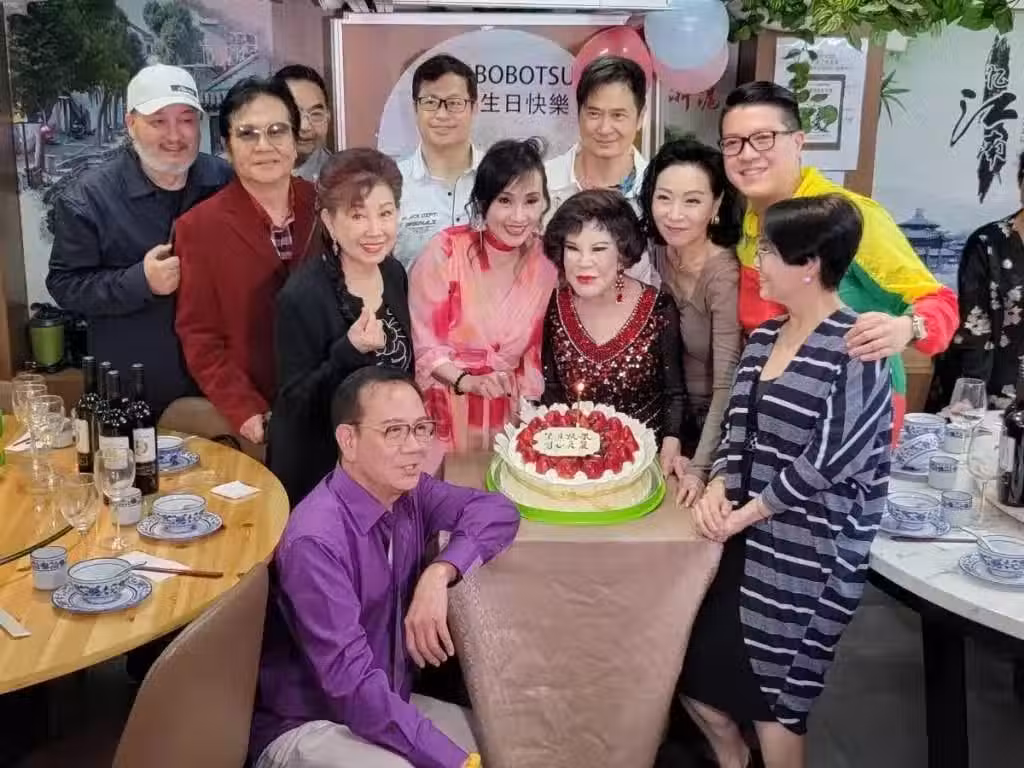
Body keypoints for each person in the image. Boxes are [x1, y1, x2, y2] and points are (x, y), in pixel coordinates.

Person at [681, 195, 892, 768]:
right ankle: (733, 759)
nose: (758, 264)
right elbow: (736, 431)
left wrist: (743, 514)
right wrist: (719, 484)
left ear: (810, 265)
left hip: (810, 558)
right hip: (742, 546)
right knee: (695, 679)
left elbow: (827, 462)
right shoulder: (764, 339)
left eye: (769, 252)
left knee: (776, 707)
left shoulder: (858, 347)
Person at [251, 366, 519, 768]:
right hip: (307, 723)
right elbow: (353, 687)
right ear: (349, 440)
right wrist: (456, 763)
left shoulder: (411, 493)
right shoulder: (315, 541)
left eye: (421, 429)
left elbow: (498, 511)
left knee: (499, 742)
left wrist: (441, 571)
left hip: (386, 702)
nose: (415, 447)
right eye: (394, 432)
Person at [720, 81, 957, 437]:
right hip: (773, 403)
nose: (747, 154)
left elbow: (940, 302)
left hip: (850, 407)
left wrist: (906, 328)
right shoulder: (748, 223)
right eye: (733, 143)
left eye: (763, 138)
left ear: (798, 141)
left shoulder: (847, 217)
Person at [46, 64, 232, 417]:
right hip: (134, 390)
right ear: (131, 124)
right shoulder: (88, 198)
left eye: (186, 120)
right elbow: (64, 285)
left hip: (219, 383)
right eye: (158, 121)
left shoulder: (224, 181)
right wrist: (139, 281)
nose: (175, 135)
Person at [175, 77, 315, 446]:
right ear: (227, 146)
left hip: (332, 406)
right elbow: (200, 337)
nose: (264, 146)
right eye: (247, 134)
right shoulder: (198, 228)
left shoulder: (327, 206)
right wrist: (246, 410)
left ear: (295, 139)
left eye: (277, 131)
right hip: (258, 417)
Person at [269, 148, 411, 506]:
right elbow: (293, 409)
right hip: (323, 480)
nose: (375, 230)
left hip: (386, 470)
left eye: (385, 213)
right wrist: (348, 352)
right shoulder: (302, 296)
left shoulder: (393, 273)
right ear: (330, 222)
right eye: (358, 215)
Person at [410, 138, 557, 453]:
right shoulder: (445, 252)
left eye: (531, 201)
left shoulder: (547, 262)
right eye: (505, 200)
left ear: (545, 202)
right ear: (482, 202)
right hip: (445, 409)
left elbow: (537, 352)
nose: (519, 216)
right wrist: (466, 381)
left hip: (510, 415)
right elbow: (425, 346)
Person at [540, 189, 684, 473]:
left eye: (598, 249)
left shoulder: (658, 307)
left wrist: (670, 444)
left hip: (645, 463)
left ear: (622, 254)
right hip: (574, 466)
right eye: (573, 248)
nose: (584, 261)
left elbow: (675, 394)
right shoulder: (555, 304)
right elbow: (552, 389)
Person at [639, 139, 743, 507]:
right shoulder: (656, 252)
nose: (674, 214)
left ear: (716, 205)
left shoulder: (723, 275)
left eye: (692, 201)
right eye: (664, 198)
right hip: (670, 424)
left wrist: (701, 467)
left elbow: (727, 384)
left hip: (718, 435)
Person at [544, 55, 653, 283]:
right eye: (594, 113)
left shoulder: (656, 192)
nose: (604, 128)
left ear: (640, 117)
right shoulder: (543, 182)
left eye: (618, 115)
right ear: (578, 113)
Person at [930, 150, 1024, 410]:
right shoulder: (987, 244)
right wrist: (972, 396)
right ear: (1020, 184)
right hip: (996, 386)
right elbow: (975, 328)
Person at [395, 55, 481, 271]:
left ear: (474, 108)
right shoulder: (392, 183)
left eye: (454, 103)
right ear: (415, 108)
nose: (441, 114)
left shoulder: (501, 178)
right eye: (430, 102)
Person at [275, 64, 332, 182]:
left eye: (316, 114)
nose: (305, 126)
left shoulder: (341, 179)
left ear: (328, 117)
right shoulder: (243, 173)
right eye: (294, 113)